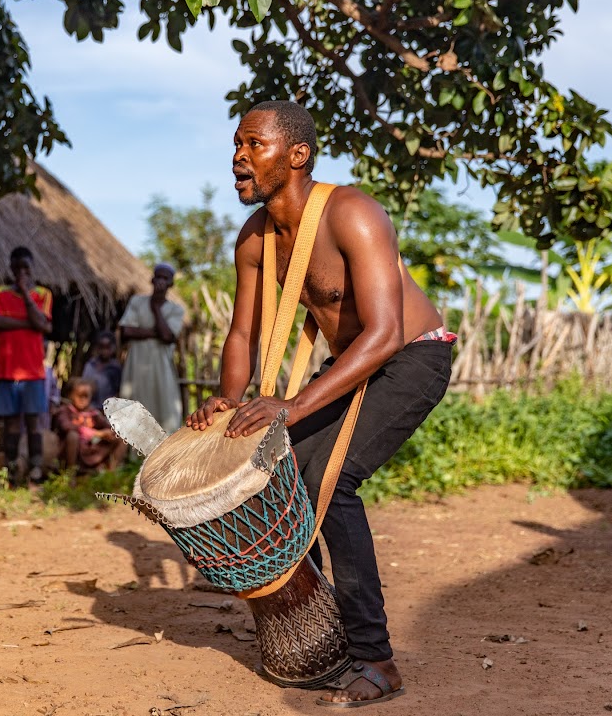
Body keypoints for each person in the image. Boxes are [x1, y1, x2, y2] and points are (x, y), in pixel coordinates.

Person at [186, 101, 454, 707]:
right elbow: (241, 334)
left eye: (254, 144)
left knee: (333, 478)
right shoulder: (255, 239)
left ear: (297, 155)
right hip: (353, 360)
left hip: (412, 353)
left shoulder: (351, 212)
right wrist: (230, 403)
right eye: (236, 144)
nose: (239, 157)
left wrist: (295, 405)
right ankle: (315, 632)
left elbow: (384, 333)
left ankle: (377, 659)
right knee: (286, 478)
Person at [0, 246, 53, 486]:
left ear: (32, 268)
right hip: (7, 370)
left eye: (26, 268)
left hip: (32, 371)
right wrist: (30, 323)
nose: (21, 273)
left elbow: (43, 325)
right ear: (11, 269)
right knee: (11, 422)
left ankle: (35, 470)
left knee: (33, 421)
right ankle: (12, 471)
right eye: (17, 268)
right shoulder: (0, 293)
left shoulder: (43, 294)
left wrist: (25, 295)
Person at [119, 263, 185, 434]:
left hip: (161, 367)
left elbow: (167, 336)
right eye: (159, 277)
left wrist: (156, 308)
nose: (161, 282)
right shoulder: (137, 302)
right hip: (136, 364)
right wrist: (156, 332)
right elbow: (126, 331)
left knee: (164, 405)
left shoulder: (176, 309)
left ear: (171, 284)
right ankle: (130, 453)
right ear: (152, 279)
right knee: (134, 403)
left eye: (166, 278)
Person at [54, 378, 126, 474]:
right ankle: (71, 473)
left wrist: (109, 433)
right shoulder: (64, 411)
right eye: (79, 396)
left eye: (86, 396)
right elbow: (66, 426)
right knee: (72, 436)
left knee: (121, 436)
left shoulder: (93, 413)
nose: (82, 400)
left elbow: (109, 427)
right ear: (71, 395)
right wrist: (97, 433)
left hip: (91, 450)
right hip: (72, 451)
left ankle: (110, 471)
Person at [81, 331, 122, 411]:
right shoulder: (90, 365)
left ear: (113, 348)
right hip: (89, 407)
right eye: (102, 347)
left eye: (107, 347)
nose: (104, 351)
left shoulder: (115, 368)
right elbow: (83, 385)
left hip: (107, 409)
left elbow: (118, 391)